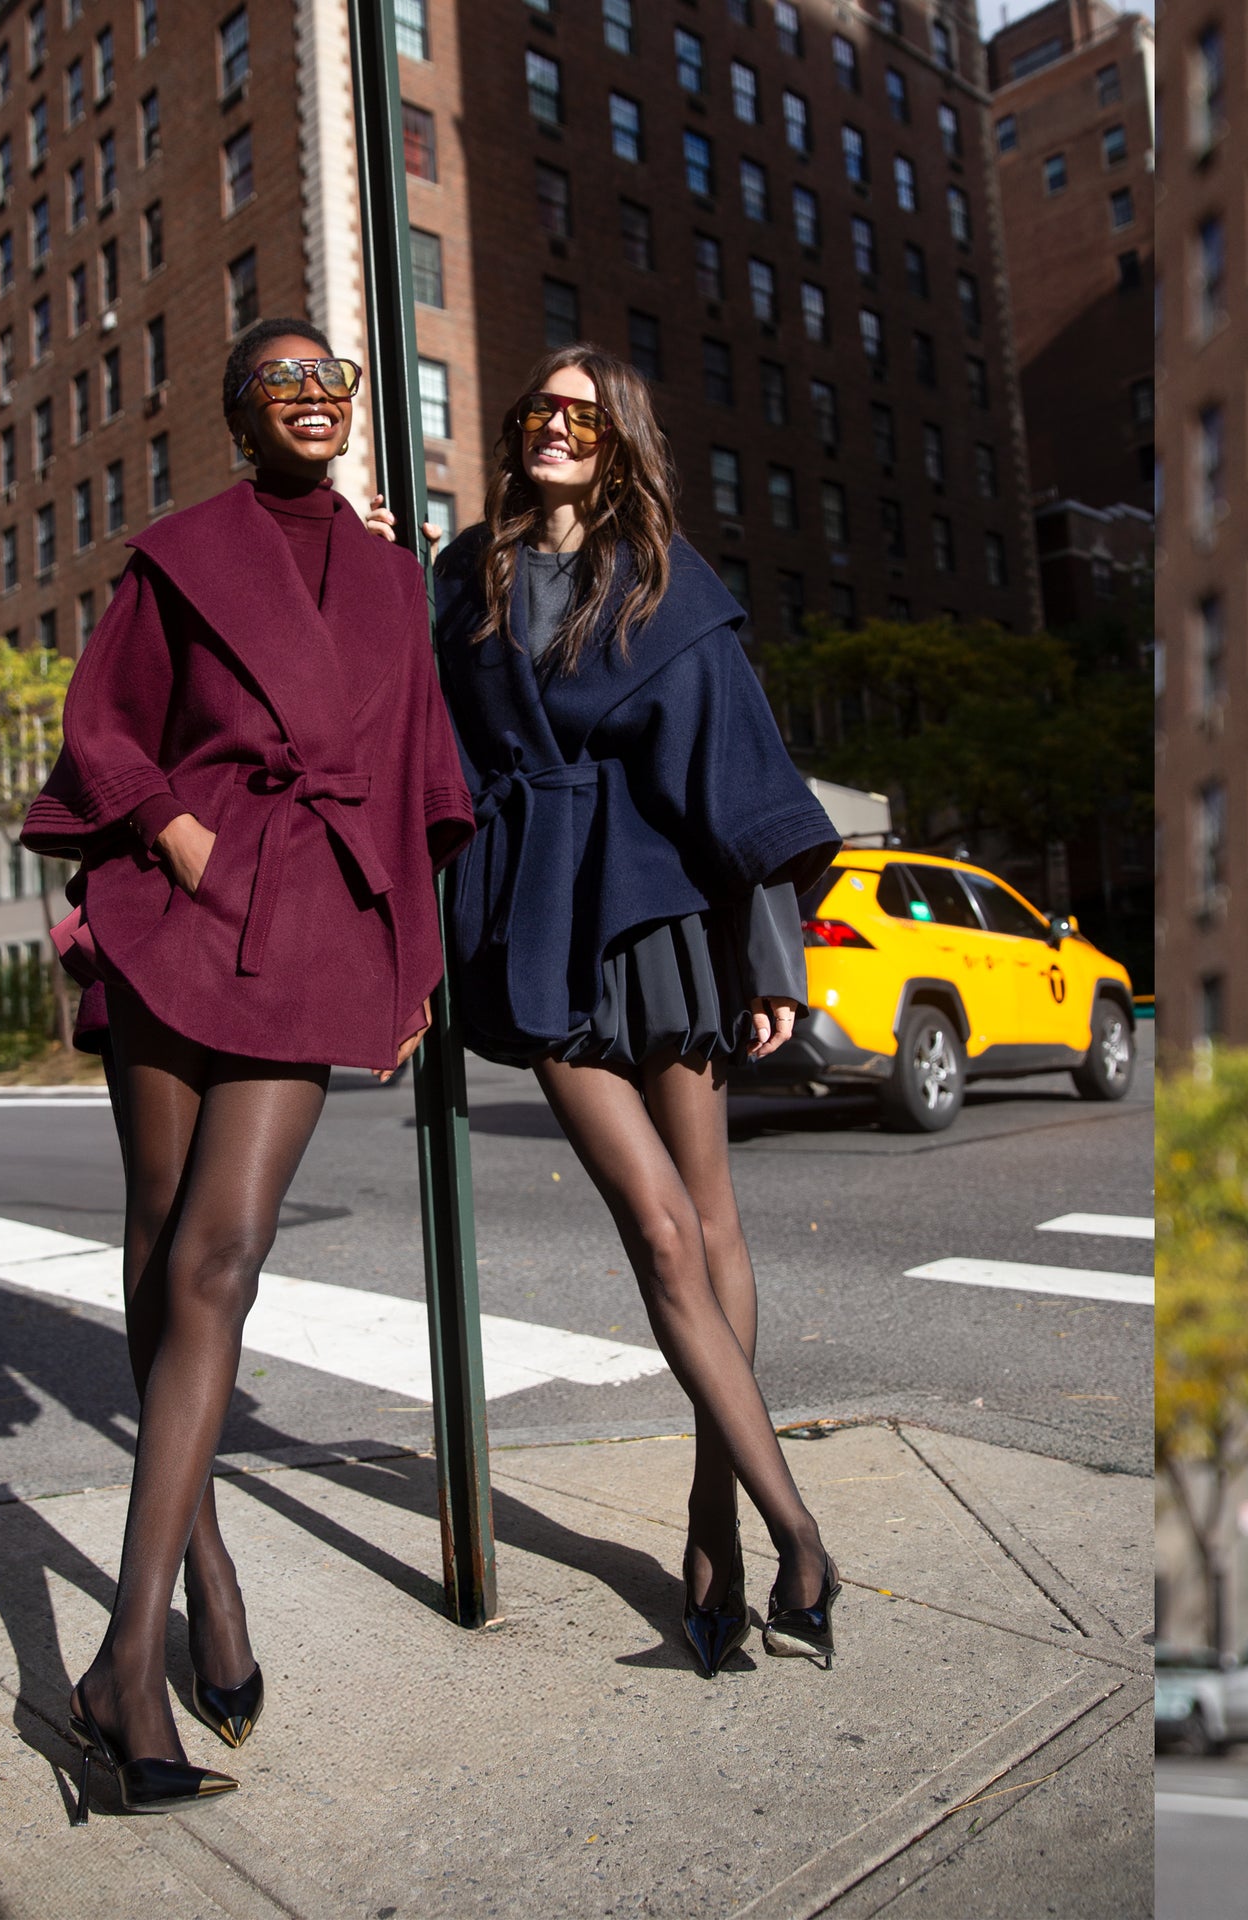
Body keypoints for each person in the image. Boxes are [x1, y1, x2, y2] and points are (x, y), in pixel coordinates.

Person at [21, 320, 473, 1811]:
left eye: (333, 382)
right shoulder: (181, 553)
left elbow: (419, 779)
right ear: (240, 414)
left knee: (221, 1264)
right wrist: (174, 835)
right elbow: (106, 726)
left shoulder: (396, 575)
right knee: (159, 1251)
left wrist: (411, 961)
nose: (316, 399)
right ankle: (204, 1577)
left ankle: (123, 1656)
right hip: (180, 910)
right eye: (285, 383)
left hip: (322, 924)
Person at [432, 347, 843, 1679]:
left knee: (712, 1221)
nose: (551, 427)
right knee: (662, 1235)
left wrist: (773, 959)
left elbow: (740, 770)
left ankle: (718, 1519)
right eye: (536, 411)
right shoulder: (466, 577)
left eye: (579, 414)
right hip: (542, 925)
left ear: (617, 440)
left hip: (669, 917)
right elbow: (420, 735)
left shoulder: (672, 586)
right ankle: (798, 1532)